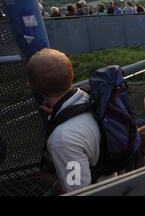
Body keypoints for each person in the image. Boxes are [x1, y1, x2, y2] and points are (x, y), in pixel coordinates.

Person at [26, 49, 101, 194]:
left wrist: (52, 182)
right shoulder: (90, 97)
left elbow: (79, 190)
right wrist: (58, 113)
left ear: (31, 85)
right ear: (71, 75)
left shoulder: (63, 139)